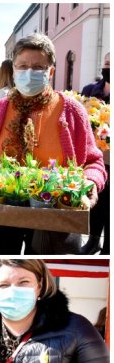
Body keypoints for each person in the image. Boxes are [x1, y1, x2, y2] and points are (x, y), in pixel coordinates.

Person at [0, 34, 106, 255]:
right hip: (3, 213)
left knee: (46, 274)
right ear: (13, 70)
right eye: (22, 66)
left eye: (38, 67)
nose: (29, 72)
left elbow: (94, 163)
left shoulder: (71, 110)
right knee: (6, 264)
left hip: (56, 215)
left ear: (50, 72)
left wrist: (90, 183)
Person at [79, 51, 110, 255]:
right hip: (96, 159)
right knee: (96, 201)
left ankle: (108, 248)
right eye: (106, 62)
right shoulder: (91, 90)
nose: (107, 67)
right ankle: (93, 241)